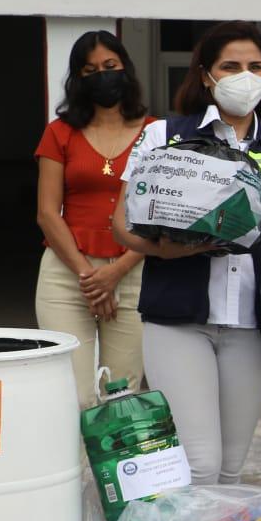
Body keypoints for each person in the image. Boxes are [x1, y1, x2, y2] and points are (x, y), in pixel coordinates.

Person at [112, 21, 261, 485]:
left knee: (231, 468)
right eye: (231, 66)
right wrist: (165, 251)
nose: (245, 76)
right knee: (197, 464)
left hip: (249, 326)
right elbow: (120, 223)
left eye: (255, 67)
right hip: (179, 317)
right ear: (206, 75)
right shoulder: (163, 134)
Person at [35, 30, 153, 408]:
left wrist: (115, 271)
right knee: (71, 393)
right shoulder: (60, 132)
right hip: (67, 273)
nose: (102, 75)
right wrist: (91, 277)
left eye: (110, 66)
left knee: (122, 393)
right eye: (90, 70)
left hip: (134, 271)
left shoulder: (156, 133)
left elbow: (162, 219)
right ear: (77, 79)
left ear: (126, 69)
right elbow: (47, 213)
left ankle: (115, 470)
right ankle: (71, 470)